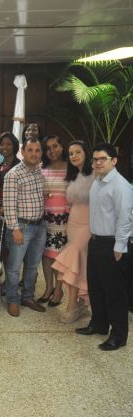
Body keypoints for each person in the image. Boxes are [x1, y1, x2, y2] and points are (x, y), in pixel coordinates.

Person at [75, 143, 133, 351]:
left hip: (113, 245)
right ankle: (99, 324)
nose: (98, 162)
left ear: (114, 161)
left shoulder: (121, 186)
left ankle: (118, 335)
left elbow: (125, 218)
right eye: (95, 159)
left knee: (115, 292)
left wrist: (119, 247)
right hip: (96, 241)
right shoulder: (98, 182)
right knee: (96, 287)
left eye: (103, 159)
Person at [2, 137, 46, 317]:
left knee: (33, 266)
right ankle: (12, 300)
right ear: (22, 152)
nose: (34, 154)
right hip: (21, 226)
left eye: (37, 150)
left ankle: (28, 296)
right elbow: (9, 205)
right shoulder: (13, 174)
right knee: (14, 267)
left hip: (39, 226)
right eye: (30, 150)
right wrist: (15, 229)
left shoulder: (39, 171)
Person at [52, 141, 94, 323]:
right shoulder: (74, 175)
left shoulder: (95, 174)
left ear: (86, 153)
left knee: (74, 259)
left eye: (78, 152)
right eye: (71, 153)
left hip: (88, 224)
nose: (74, 156)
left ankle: (73, 306)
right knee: (78, 264)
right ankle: (79, 304)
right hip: (73, 223)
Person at [39, 135, 69, 307]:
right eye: (48, 148)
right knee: (46, 255)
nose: (52, 151)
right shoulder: (41, 168)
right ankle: (48, 287)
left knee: (59, 257)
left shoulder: (71, 168)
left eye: (55, 146)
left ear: (62, 147)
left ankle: (58, 290)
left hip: (63, 221)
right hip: (45, 219)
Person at [0, 132, 21, 214]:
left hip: (13, 208)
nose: (5, 147)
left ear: (14, 146)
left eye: (9, 144)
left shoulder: (19, 166)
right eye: (2, 144)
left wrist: (4, 208)